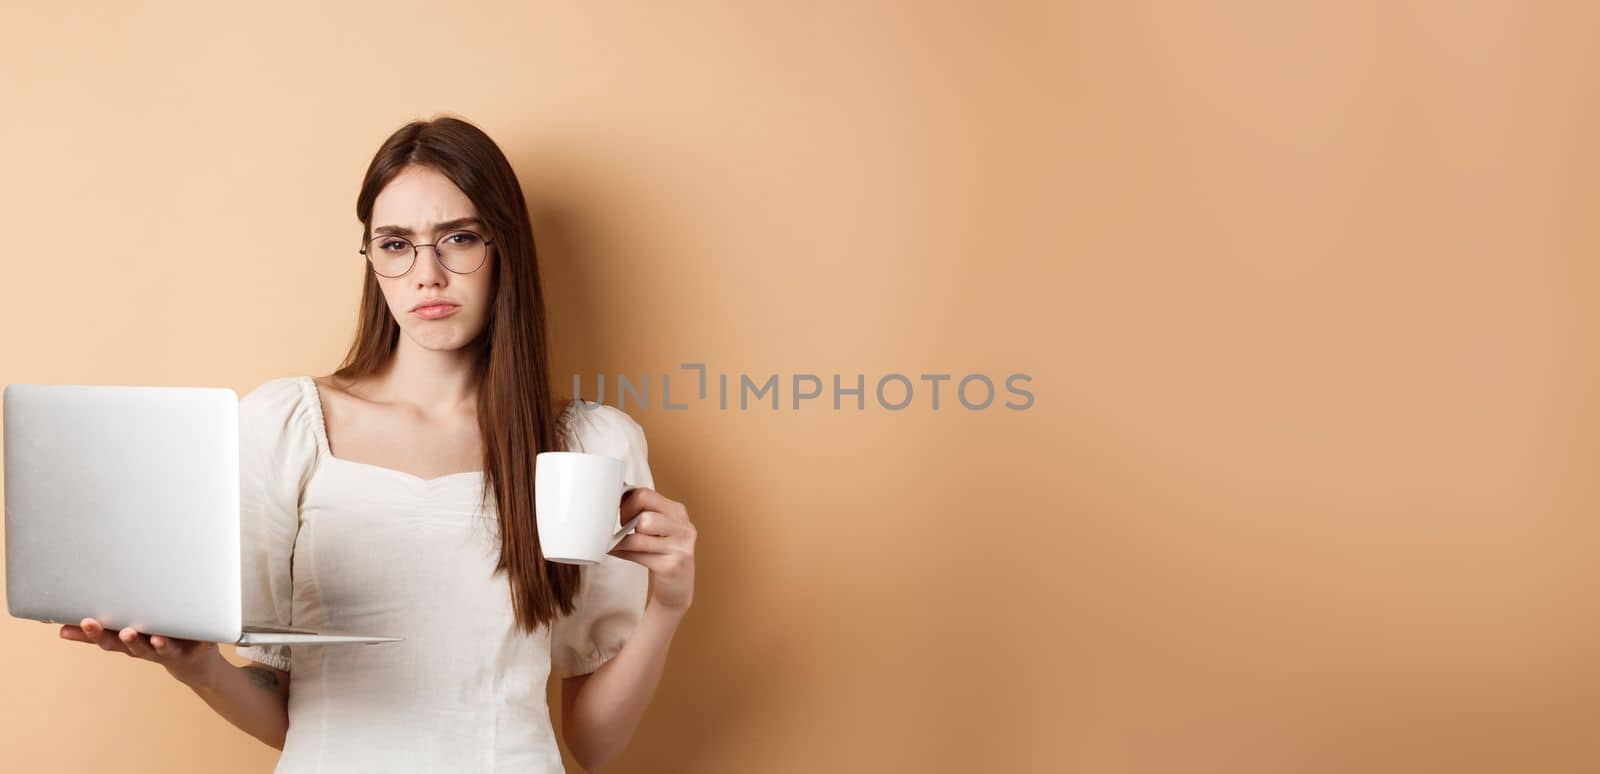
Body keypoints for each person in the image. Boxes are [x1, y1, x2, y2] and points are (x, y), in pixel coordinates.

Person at [59, 115, 698, 772]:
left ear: (504, 247)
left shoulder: (589, 446)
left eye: (460, 238)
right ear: (372, 259)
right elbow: (277, 697)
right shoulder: (287, 424)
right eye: (396, 244)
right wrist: (202, 670)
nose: (428, 274)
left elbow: (594, 742)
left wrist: (669, 605)